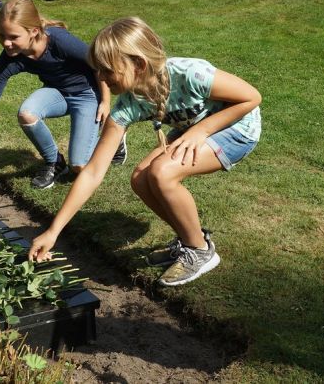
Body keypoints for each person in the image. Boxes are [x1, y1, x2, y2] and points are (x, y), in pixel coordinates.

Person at [27, 17, 262, 287]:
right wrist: (53, 231)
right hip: (195, 129)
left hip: (238, 127)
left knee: (162, 173)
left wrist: (201, 131)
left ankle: (200, 251)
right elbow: (93, 172)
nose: (100, 78)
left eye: (106, 70)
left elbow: (251, 96)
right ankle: (191, 239)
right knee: (140, 178)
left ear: (138, 64)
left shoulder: (190, 73)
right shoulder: (127, 106)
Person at [0, 0, 113, 190]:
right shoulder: (10, 59)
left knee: (80, 167)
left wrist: (105, 101)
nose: (6, 42)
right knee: (27, 113)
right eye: (2, 35)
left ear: (34, 31)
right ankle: (55, 162)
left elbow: (99, 63)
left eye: (13, 37)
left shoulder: (58, 41)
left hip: (86, 95)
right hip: (58, 93)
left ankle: (114, 139)